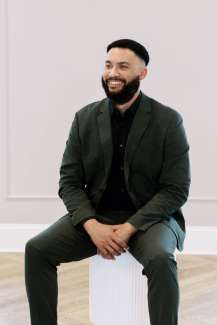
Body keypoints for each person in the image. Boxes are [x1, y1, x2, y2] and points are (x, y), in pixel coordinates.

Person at [25, 38, 191, 325]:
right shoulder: (84, 118)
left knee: (161, 261)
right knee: (36, 250)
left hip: (150, 220)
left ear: (142, 74)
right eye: (108, 65)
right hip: (96, 215)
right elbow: (69, 182)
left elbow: (175, 190)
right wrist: (91, 225)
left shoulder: (168, 121)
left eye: (123, 67)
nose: (113, 73)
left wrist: (129, 228)